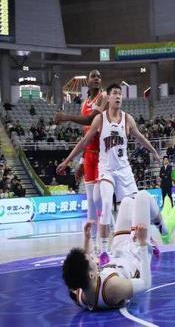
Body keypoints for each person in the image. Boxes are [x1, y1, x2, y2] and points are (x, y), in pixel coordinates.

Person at [57, 84, 161, 264]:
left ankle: (150, 238)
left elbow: (140, 137)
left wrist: (154, 151)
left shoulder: (127, 119)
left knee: (137, 207)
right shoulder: (100, 119)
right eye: (115, 93)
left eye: (120, 94)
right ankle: (104, 251)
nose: (118, 96)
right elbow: (84, 142)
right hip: (106, 170)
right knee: (106, 204)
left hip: (124, 170)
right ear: (109, 98)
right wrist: (67, 161)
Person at [62, 190, 175, 311]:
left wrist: (87, 239)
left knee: (126, 202)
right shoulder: (112, 288)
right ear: (91, 275)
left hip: (118, 253)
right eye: (91, 259)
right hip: (136, 256)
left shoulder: (79, 291)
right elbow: (145, 283)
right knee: (142, 196)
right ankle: (165, 230)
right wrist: (143, 243)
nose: (92, 257)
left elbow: (81, 267)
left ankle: (157, 218)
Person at [55, 70, 108, 255]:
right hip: (89, 156)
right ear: (88, 81)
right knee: (91, 202)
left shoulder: (104, 97)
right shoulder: (84, 103)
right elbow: (85, 136)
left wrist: (66, 117)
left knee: (100, 200)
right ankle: (94, 244)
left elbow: (91, 119)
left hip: (103, 156)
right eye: (93, 76)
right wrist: (81, 162)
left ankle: (108, 241)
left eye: (99, 76)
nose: (97, 79)